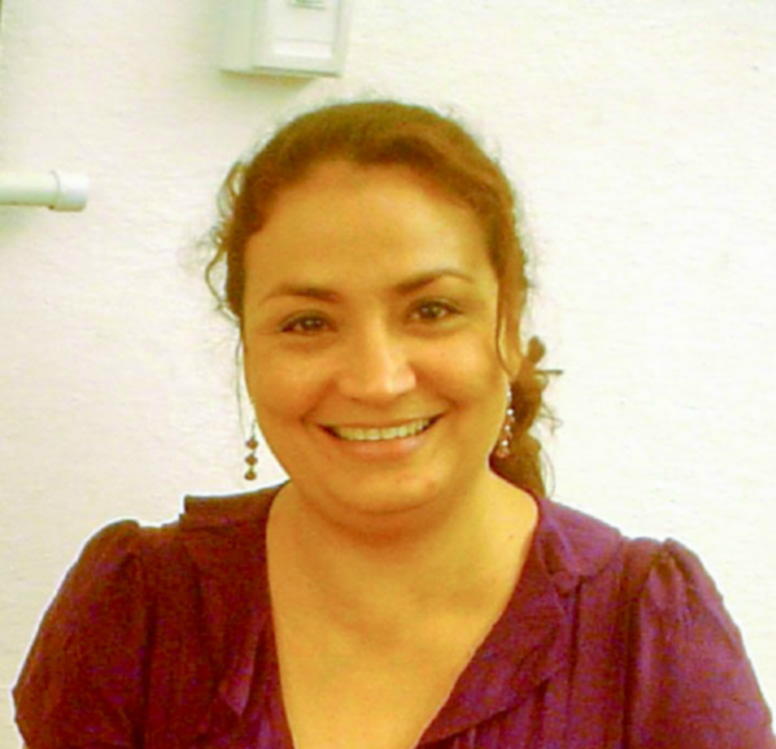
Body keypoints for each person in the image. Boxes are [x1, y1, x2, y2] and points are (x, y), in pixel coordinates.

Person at [13, 100, 775, 749]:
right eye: (308, 322)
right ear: (247, 348)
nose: (377, 380)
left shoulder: (649, 636)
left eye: (431, 310)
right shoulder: (138, 613)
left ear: (509, 326)